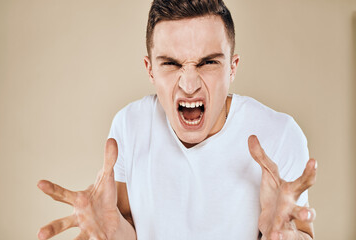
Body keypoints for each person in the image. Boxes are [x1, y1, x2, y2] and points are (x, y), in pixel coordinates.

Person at [37, 0, 317, 239]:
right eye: (171, 64)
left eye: (208, 62)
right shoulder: (130, 125)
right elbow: (126, 225)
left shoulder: (280, 134)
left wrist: (281, 235)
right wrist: (114, 233)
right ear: (150, 70)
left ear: (232, 68)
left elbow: (299, 231)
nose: (190, 84)